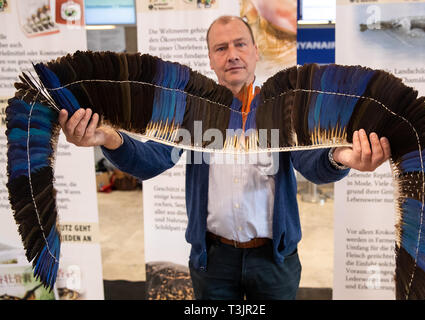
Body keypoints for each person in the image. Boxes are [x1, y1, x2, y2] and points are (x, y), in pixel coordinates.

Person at [58, 16, 391, 300]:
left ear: (255, 52)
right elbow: (151, 159)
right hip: (213, 261)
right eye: (221, 48)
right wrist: (108, 137)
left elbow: (312, 163)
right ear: (211, 59)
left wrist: (341, 156)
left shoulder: (284, 110)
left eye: (240, 44)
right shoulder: (192, 112)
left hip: (274, 261)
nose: (232, 54)